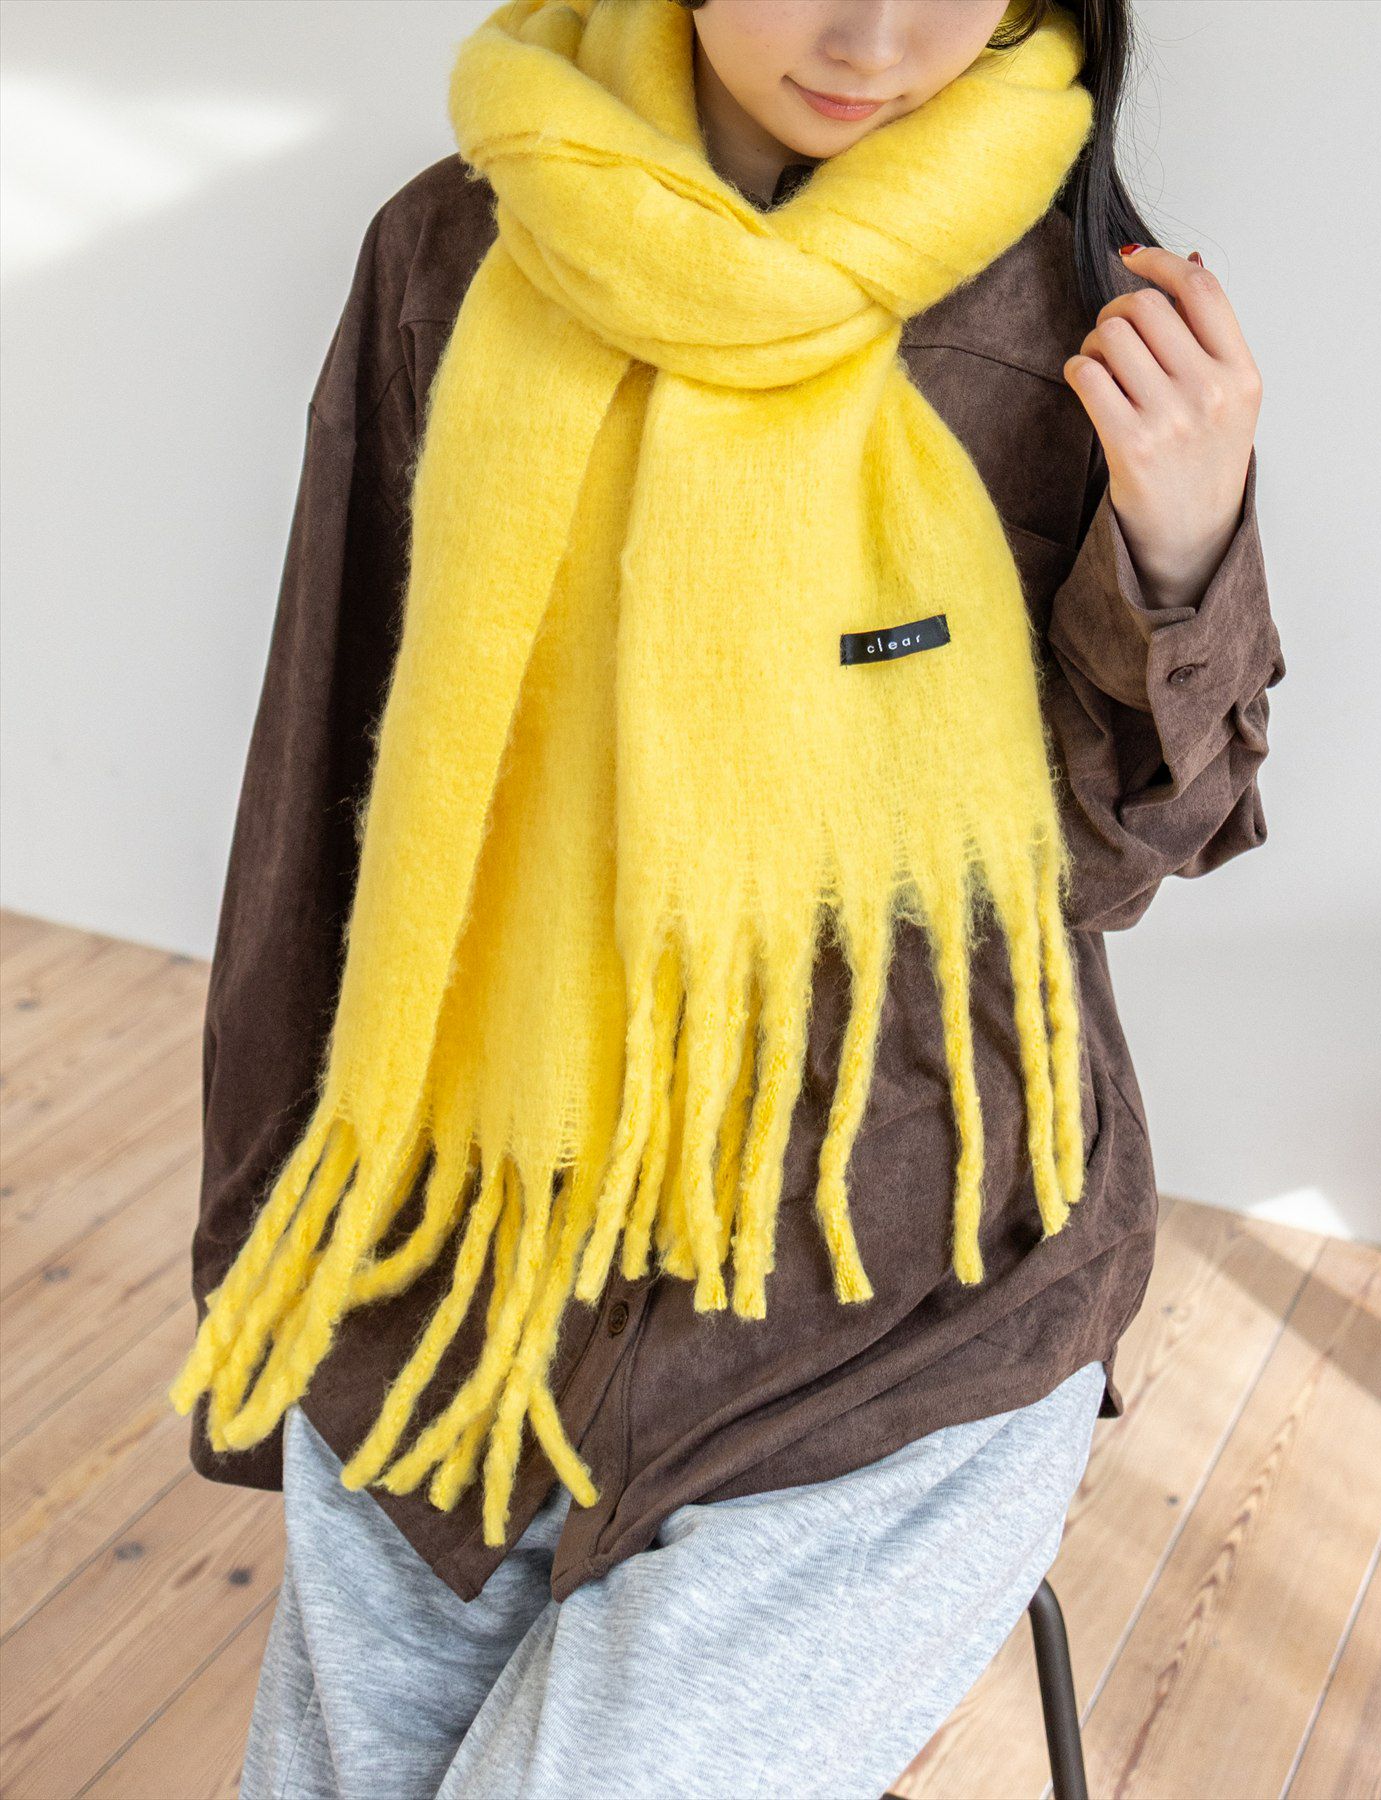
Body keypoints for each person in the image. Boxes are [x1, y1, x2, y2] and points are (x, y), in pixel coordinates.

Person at [177, 1, 1284, 1795]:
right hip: (477, 1255)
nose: (876, 34)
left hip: (892, 1296)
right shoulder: (453, 248)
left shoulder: (1079, 307)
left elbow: (1104, 866)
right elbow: (324, 798)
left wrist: (1181, 553)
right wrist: (275, 1257)